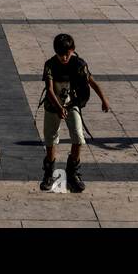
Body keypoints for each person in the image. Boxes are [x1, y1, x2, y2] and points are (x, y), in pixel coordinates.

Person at [39, 33, 110, 193]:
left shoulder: (79, 64)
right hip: (53, 106)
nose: (64, 58)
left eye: (67, 54)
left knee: (78, 137)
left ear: (73, 50)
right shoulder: (50, 64)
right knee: (51, 140)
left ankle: (72, 172)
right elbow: (49, 90)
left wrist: (103, 99)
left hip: (72, 104)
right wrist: (58, 107)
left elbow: (91, 82)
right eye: (60, 54)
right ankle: (49, 174)